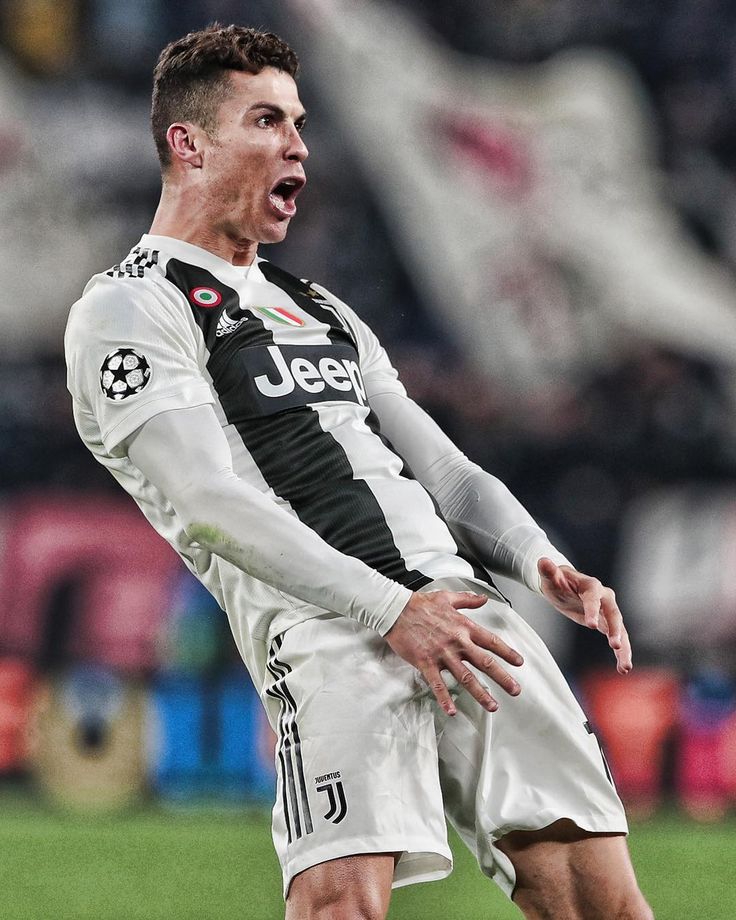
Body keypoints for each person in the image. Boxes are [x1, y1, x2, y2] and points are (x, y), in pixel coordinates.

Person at [64, 23, 653, 920]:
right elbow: (210, 506)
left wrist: (535, 559)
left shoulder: (318, 304)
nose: (299, 144)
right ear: (188, 144)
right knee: (344, 906)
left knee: (600, 902)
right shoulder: (130, 306)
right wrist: (389, 610)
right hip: (331, 634)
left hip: (466, 613)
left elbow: (443, 469)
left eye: (299, 121)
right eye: (266, 121)